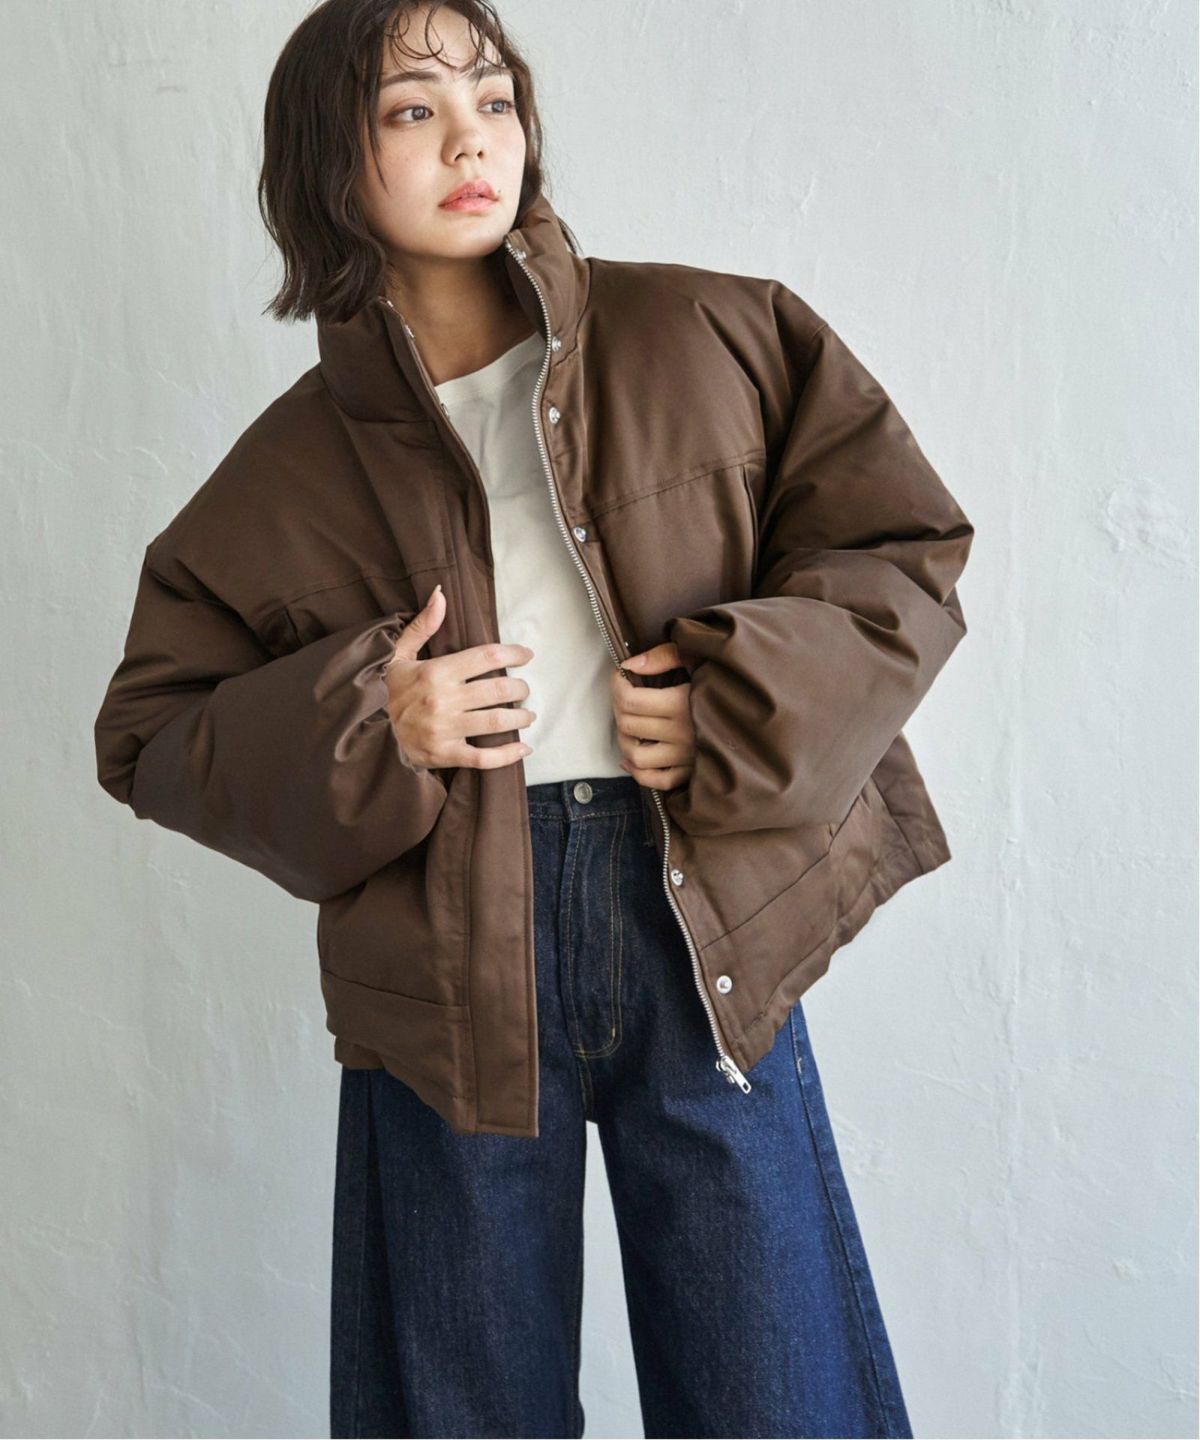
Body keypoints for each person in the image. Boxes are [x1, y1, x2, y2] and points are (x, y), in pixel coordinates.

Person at [94, 1, 975, 1435]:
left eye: (494, 101)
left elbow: (902, 548)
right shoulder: (291, 465)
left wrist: (733, 703)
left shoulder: (710, 330)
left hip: (701, 919)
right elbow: (149, 731)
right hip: (447, 959)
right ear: (328, 163)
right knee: (463, 1405)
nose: (471, 141)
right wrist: (372, 717)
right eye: (413, 110)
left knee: (773, 1387)